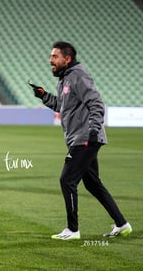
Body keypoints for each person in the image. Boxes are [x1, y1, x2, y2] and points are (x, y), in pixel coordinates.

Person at [29, 41, 132, 240]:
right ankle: (122, 224)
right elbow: (63, 106)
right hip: (79, 138)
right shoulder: (65, 79)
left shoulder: (78, 76)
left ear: (67, 59)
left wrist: (93, 130)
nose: (51, 60)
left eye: (55, 57)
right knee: (93, 184)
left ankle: (72, 230)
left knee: (67, 180)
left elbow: (96, 103)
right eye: (51, 56)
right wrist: (44, 96)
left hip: (85, 138)